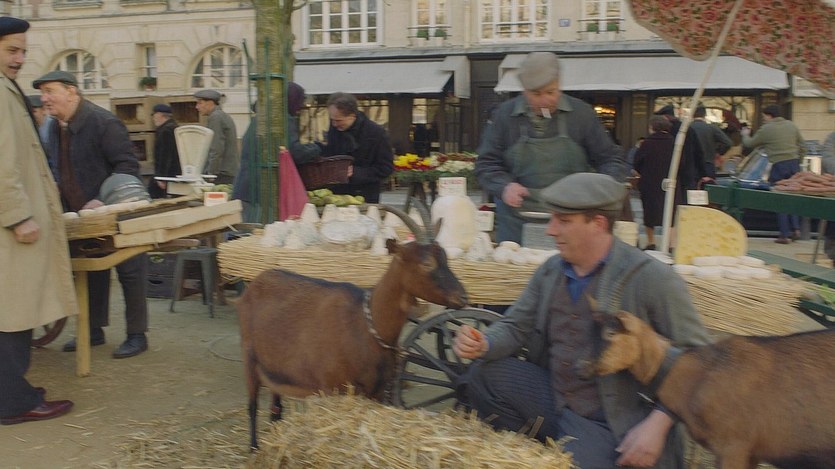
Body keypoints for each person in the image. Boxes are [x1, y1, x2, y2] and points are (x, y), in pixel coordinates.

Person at [453, 172, 710, 469]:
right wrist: (484, 343)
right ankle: (542, 447)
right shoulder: (551, 271)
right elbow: (515, 326)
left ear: (598, 224)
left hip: (611, 420)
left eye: (563, 221)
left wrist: (658, 425)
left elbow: (701, 362)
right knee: (484, 375)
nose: (550, 230)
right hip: (555, 399)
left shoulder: (652, 279)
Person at [34, 70, 149, 358]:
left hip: (116, 212)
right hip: (80, 216)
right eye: (42, 93)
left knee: (130, 271)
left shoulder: (104, 123)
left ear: (71, 92)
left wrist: (101, 199)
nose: (44, 98)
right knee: (90, 271)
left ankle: (137, 335)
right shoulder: (54, 127)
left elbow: (127, 167)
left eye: (49, 91)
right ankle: (93, 330)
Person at [0, 16, 75, 425]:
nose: (19, 59)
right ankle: (14, 403)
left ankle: (14, 392)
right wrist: (18, 217)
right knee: (12, 312)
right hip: (12, 226)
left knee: (14, 309)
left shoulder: (5, 86)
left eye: (23, 51)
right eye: (11, 50)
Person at [474, 52, 627, 244]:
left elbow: (611, 159)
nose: (545, 100)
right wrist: (504, 187)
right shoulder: (504, 116)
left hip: (572, 219)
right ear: (524, 91)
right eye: (536, 94)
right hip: (516, 222)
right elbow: (486, 164)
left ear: (559, 84)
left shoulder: (581, 114)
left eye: (551, 92)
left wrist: (599, 191)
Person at [741, 104, 804, 244]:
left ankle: (784, 235)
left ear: (769, 115)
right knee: (793, 196)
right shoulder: (791, 125)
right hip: (794, 164)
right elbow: (803, 145)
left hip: (778, 165)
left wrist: (744, 134)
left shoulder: (766, 129)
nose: (764, 119)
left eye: (764, 116)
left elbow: (750, 143)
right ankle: (796, 229)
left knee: (779, 199)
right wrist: (799, 160)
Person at [320, 91, 394, 203]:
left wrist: (356, 172)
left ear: (352, 115)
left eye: (338, 120)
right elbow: (331, 152)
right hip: (336, 195)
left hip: (365, 196)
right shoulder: (335, 129)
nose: (334, 124)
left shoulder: (377, 134)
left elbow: (386, 169)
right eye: (332, 120)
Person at [634, 116, 682, 251]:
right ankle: (671, 243)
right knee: (671, 212)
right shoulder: (675, 143)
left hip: (650, 182)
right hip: (671, 183)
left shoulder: (647, 143)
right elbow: (682, 164)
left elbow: (637, 163)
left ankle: (651, 242)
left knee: (649, 212)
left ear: (652, 127)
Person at [653, 104, 706, 190]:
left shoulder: (665, 131)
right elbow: (698, 152)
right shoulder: (688, 129)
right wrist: (703, 173)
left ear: (665, 117)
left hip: (668, 172)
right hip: (688, 172)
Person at [195, 89, 239, 184]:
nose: (197, 107)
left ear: (210, 103)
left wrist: (211, 173)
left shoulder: (216, 117)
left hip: (221, 173)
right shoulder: (221, 115)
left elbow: (216, 148)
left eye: (200, 103)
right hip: (226, 171)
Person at [689, 106, 732, 178]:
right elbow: (728, 143)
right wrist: (718, 152)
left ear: (692, 114)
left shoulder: (687, 128)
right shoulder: (712, 128)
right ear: (704, 115)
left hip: (691, 166)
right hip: (708, 164)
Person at [148, 103, 181, 198]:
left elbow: (165, 155)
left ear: (160, 115)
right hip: (175, 174)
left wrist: (161, 177)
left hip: (168, 174)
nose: (153, 118)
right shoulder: (174, 127)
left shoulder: (165, 131)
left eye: (154, 115)